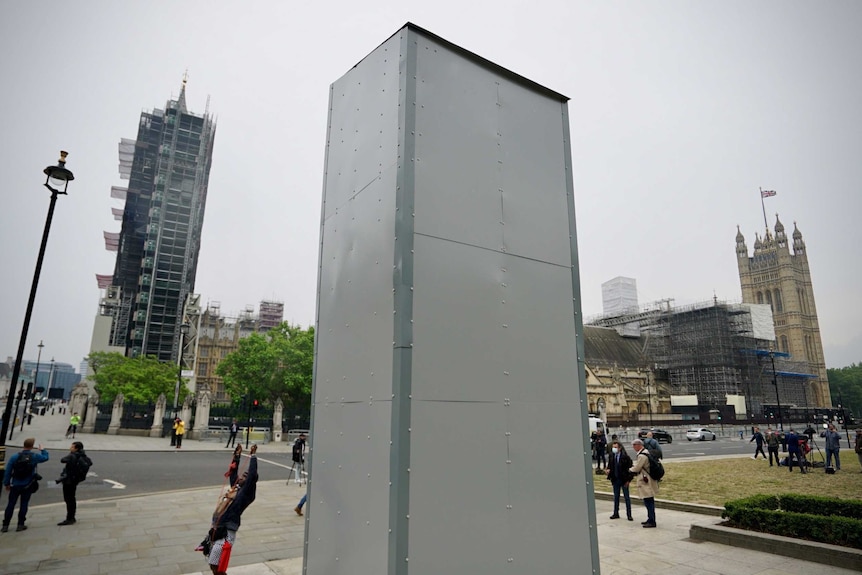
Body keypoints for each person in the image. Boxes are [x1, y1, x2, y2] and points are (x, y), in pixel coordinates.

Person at [206, 444, 259, 575]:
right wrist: (237, 455)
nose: (242, 477)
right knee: (213, 563)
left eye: (245, 476)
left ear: (250, 482)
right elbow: (233, 473)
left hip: (227, 531)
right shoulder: (237, 489)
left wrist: (253, 456)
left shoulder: (247, 493)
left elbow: (252, 475)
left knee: (218, 565)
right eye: (243, 475)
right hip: (217, 526)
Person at [3, 438, 49, 532]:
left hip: (15, 484)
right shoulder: (35, 456)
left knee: (11, 504)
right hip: (28, 484)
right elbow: (45, 458)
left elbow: (8, 471)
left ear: (23, 445)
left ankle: (5, 525)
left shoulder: (15, 457)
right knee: (24, 504)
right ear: (32, 446)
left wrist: (7, 483)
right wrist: (43, 450)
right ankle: (20, 524)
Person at [56, 441, 90, 526]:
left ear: (76, 448)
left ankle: (70, 518)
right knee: (72, 498)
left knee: (69, 499)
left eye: (72, 447)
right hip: (75, 479)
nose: (70, 448)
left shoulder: (73, 455)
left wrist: (71, 454)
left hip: (69, 480)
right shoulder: (83, 455)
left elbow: (62, 460)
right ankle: (71, 517)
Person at [629, 438, 658, 528]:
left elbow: (637, 468)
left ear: (639, 445)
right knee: (649, 501)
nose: (633, 447)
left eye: (634, 445)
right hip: (648, 478)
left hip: (646, 480)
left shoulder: (642, 456)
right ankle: (650, 519)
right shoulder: (646, 452)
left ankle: (652, 520)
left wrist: (629, 470)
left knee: (648, 501)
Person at [605, 440, 634, 521]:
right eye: (613, 447)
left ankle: (629, 514)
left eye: (615, 447)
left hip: (624, 480)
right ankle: (615, 513)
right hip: (615, 479)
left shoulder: (625, 457)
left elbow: (630, 470)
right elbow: (609, 466)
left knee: (626, 497)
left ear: (620, 448)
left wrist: (628, 480)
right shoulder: (611, 456)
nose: (614, 449)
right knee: (616, 497)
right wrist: (608, 470)